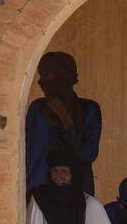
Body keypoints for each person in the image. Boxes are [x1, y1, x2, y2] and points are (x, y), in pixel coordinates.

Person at [25, 52, 102, 196]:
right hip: (38, 191)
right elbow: (28, 153)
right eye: (41, 76)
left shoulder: (88, 110)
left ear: (62, 77)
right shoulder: (37, 109)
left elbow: (88, 154)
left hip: (77, 193)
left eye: (47, 76)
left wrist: (66, 120)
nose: (41, 82)